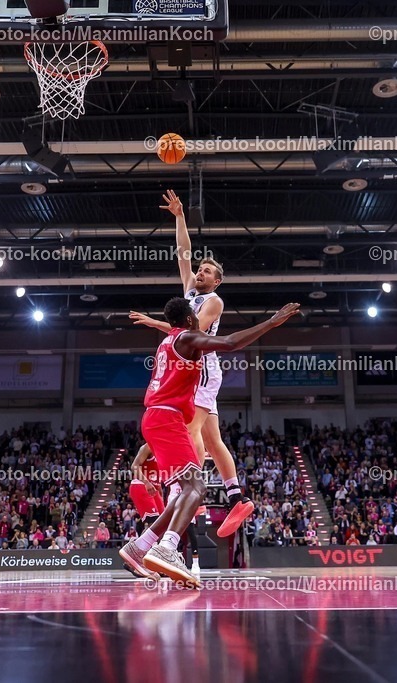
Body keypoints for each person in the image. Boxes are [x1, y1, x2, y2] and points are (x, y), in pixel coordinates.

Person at [120, 296, 299, 586]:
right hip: (167, 419)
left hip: (156, 418)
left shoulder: (167, 342)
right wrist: (271, 322)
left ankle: (139, 547)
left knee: (184, 492)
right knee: (197, 487)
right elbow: (229, 343)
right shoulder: (187, 337)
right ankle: (167, 548)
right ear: (190, 319)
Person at [128, 189, 254, 538]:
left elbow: (191, 333)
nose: (199, 273)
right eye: (200, 269)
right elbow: (183, 254)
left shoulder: (214, 301)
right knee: (213, 439)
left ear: (217, 281)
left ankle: (184, 491)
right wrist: (180, 217)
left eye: (207, 271)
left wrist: (157, 324)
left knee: (190, 430)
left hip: (202, 367)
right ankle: (236, 497)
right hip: (196, 368)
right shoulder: (191, 292)